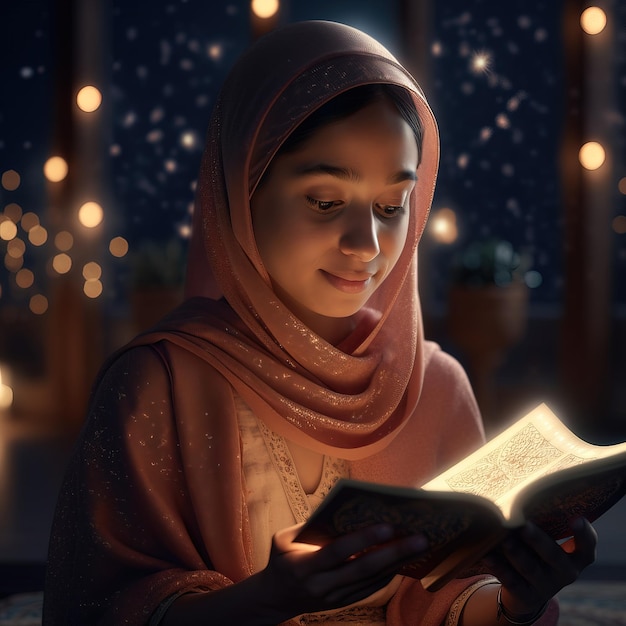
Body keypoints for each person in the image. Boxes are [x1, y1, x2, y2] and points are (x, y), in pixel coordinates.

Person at [43, 20, 597, 626]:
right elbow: (99, 605)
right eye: (326, 202)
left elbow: (449, 596)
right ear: (242, 189)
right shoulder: (159, 385)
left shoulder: (432, 385)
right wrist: (265, 600)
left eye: (391, 207)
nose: (366, 243)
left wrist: (515, 600)